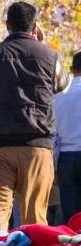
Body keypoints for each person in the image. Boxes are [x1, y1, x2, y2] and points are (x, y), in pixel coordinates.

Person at [0, 1, 72, 230]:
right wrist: (40, 46)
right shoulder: (49, 56)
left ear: (7, 25)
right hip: (36, 148)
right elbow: (62, 87)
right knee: (35, 220)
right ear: (35, 27)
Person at [54, 52, 81, 222]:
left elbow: (53, 133)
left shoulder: (59, 94)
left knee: (71, 218)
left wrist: (53, 166)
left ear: (71, 69)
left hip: (66, 157)